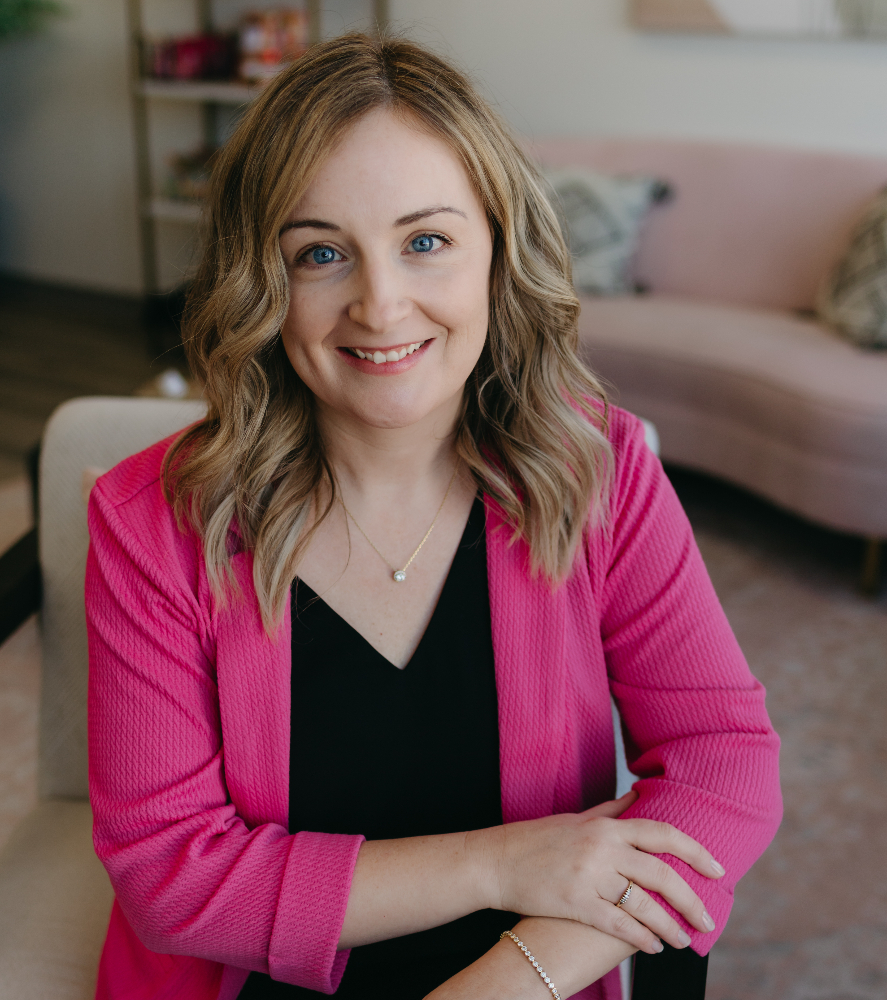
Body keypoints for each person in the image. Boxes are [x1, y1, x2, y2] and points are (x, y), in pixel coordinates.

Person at [86, 34, 782, 1000]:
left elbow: (725, 758)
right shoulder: (150, 520)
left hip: (549, 964)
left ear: (497, 249)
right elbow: (172, 877)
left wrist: (513, 976)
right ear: (261, 283)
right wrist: (502, 863)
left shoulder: (602, 469)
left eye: (425, 241)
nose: (381, 304)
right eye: (321, 253)